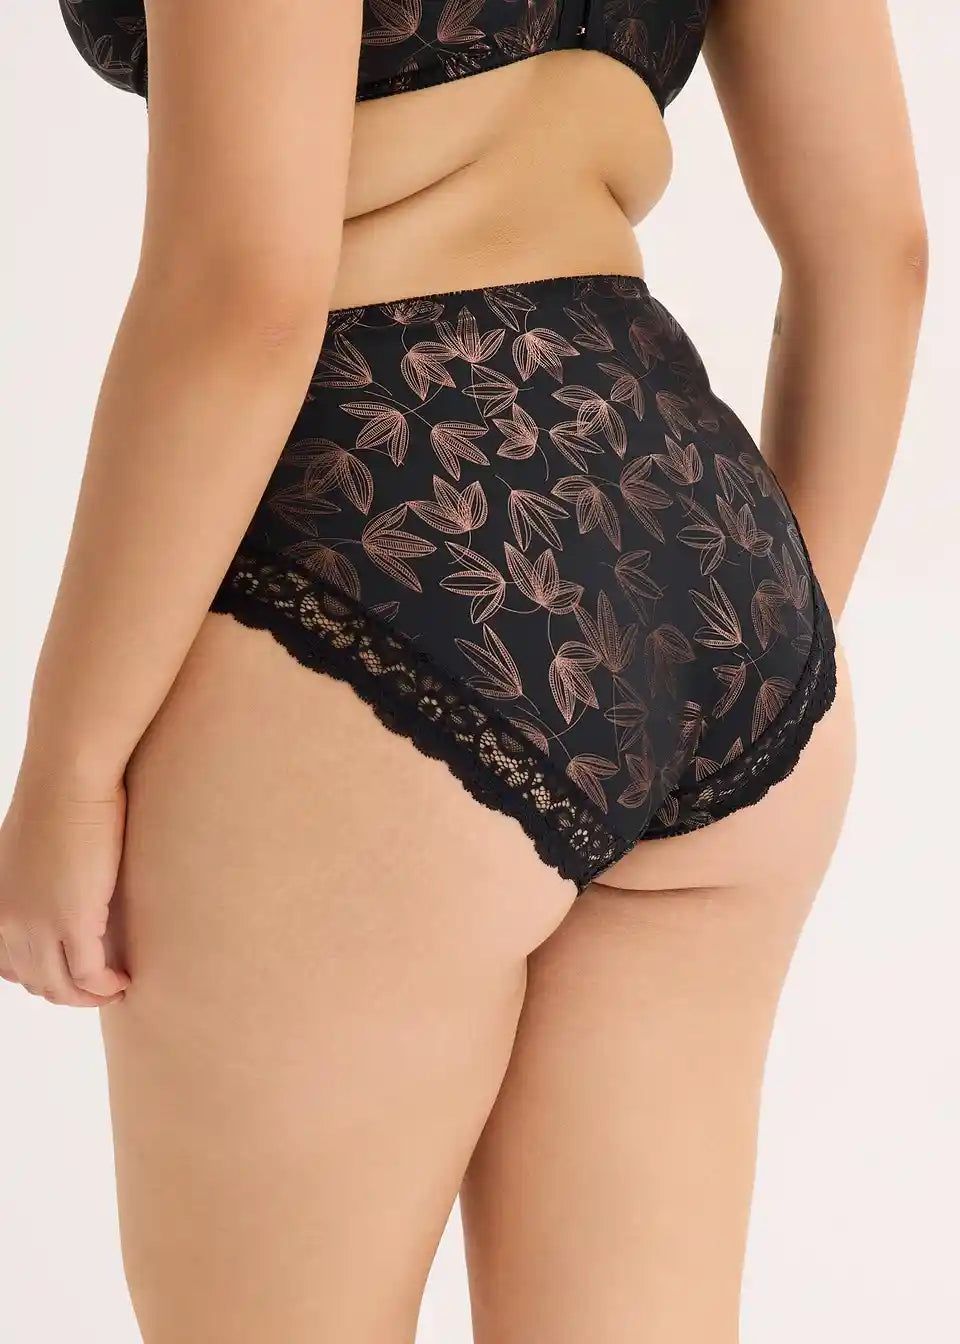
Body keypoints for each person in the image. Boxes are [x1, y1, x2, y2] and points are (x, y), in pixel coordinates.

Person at [1, 2, 925, 1340]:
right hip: (704, 540)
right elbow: (879, 251)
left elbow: (245, 289)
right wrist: (771, 649)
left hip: (377, 522)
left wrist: (72, 764)